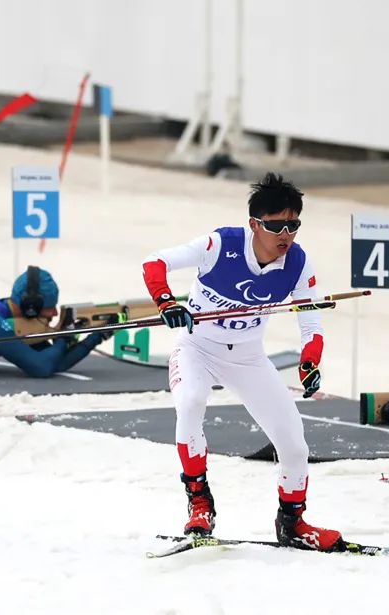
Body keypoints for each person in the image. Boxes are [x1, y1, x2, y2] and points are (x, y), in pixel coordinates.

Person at [141, 172, 341, 551]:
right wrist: (166, 302)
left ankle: (292, 523)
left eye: (293, 225)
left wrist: (309, 363)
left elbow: (311, 323)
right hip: (197, 348)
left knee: (295, 446)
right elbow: (153, 263)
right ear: (254, 224)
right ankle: (200, 504)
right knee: (191, 402)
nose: (286, 234)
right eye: (276, 225)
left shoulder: (298, 264)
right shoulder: (220, 245)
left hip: (248, 357)